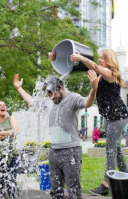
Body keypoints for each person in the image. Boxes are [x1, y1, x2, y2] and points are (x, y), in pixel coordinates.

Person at [13, 70, 98, 199]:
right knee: (55, 190)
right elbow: (32, 102)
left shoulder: (73, 98)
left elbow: (88, 103)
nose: (51, 98)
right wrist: (19, 89)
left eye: (53, 94)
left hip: (71, 151)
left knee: (73, 190)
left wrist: (94, 88)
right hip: (54, 151)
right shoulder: (50, 100)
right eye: (49, 95)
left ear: (61, 89)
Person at [71, 49, 128, 196]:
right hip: (110, 116)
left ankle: (106, 184)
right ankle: (126, 178)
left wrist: (81, 57)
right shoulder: (99, 75)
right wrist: (58, 57)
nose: (99, 60)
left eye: (102, 58)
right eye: (99, 58)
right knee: (116, 149)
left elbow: (94, 67)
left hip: (118, 115)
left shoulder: (110, 74)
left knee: (110, 149)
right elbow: (81, 67)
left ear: (110, 60)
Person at [0, 101, 19, 199]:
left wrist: (1, 133)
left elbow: (15, 131)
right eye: (0, 105)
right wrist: (7, 133)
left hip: (12, 154)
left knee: (11, 181)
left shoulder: (11, 118)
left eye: (4, 105)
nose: (3, 106)